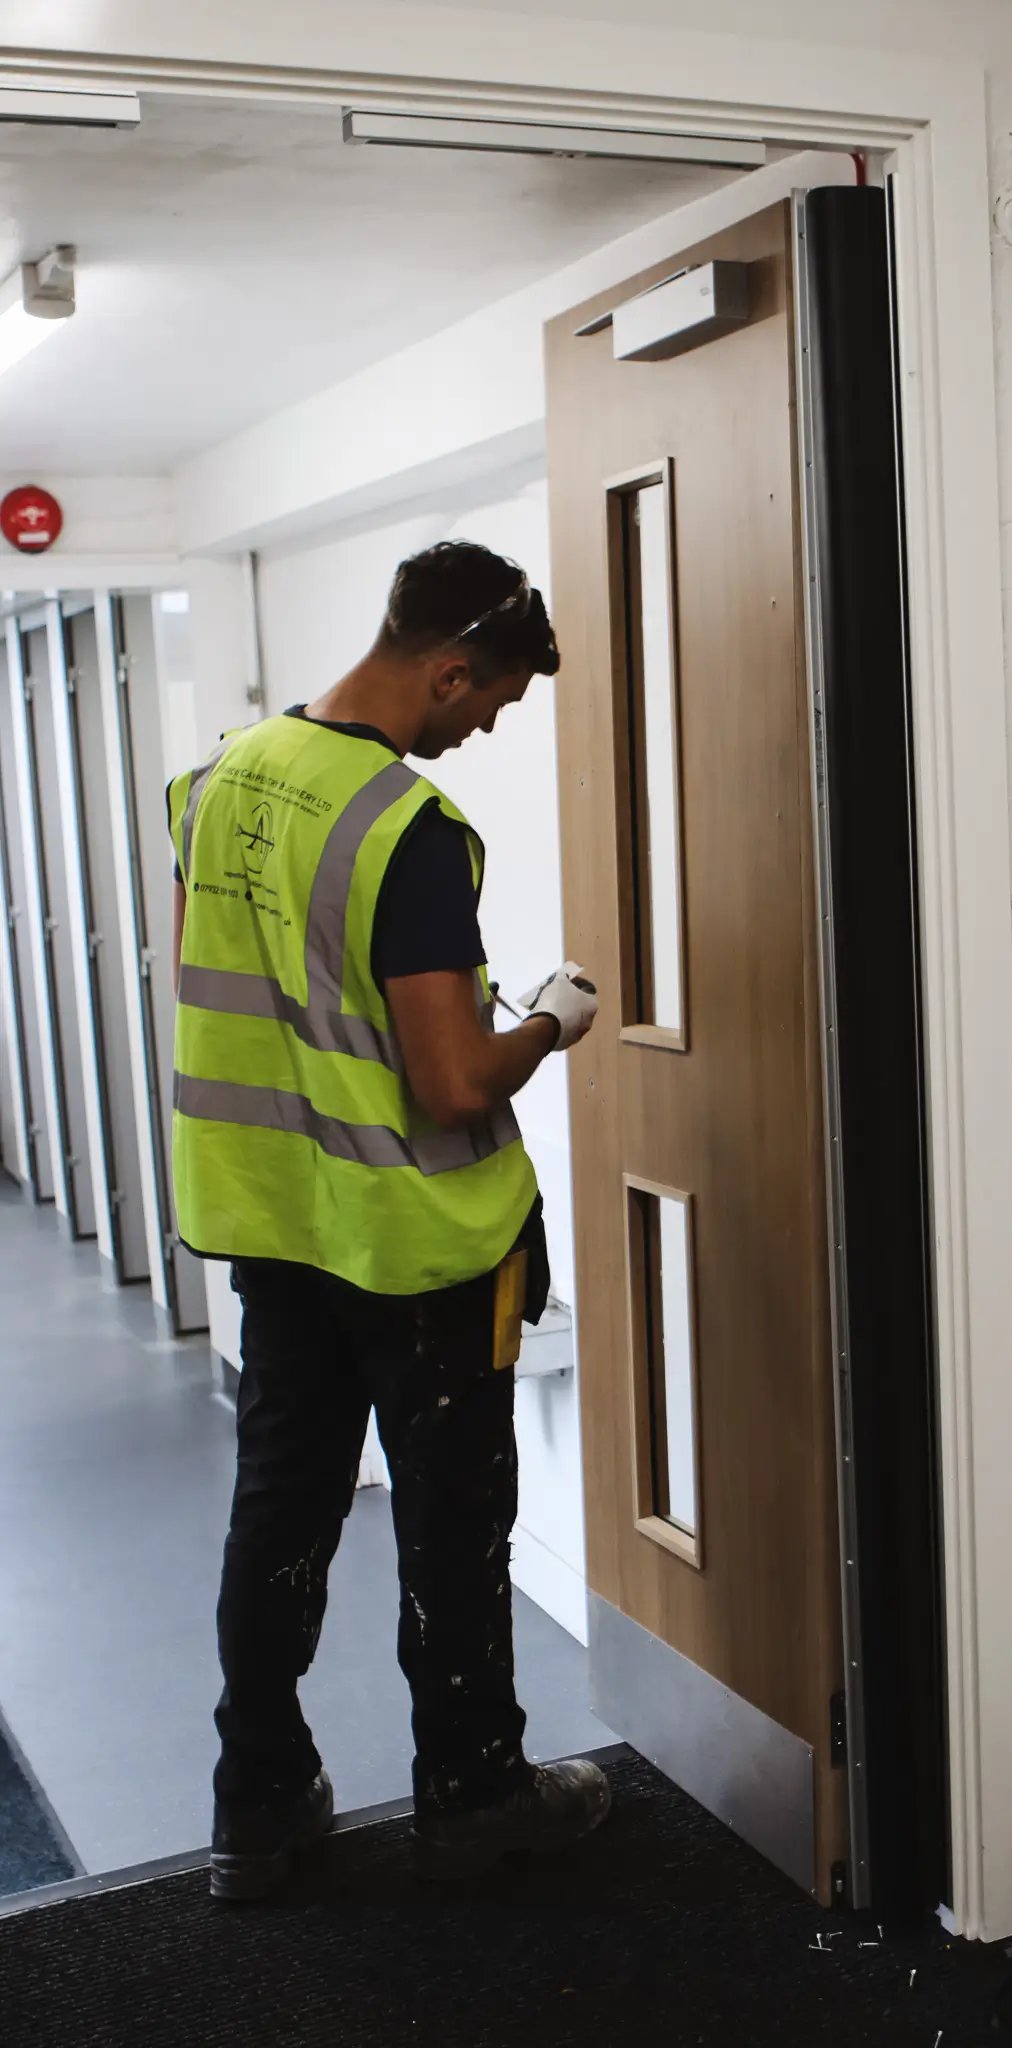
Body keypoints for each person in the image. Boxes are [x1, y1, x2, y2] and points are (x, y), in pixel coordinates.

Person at [167, 540, 607, 1902]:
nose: (483, 728)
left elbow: (279, 1005)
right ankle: (474, 1798)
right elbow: (450, 1077)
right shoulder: (399, 829)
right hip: (416, 1244)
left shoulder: (220, 781)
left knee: (280, 1511)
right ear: (450, 665)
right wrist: (550, 1019)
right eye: (491, 704)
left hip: (272, 1226)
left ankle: (260, 1813)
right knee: (451, 1530)